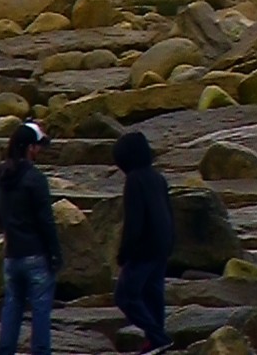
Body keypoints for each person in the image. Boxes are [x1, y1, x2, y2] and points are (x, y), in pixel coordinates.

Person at [0, 122, 62, 355]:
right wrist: (55, 253)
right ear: (29, 148)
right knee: (41, 311)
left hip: (12, 255)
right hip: (36, 255)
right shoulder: (35, 179)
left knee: (12, 307)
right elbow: (46, 221)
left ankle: (5, 351)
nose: (39, 151)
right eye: (37, 146)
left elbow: (0, 216)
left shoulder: (0, 176)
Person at [113, 131, 175, 354]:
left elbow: (134, 222)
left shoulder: (134, 180)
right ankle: (154, 339)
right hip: (162, 245)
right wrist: (171, 243)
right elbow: (169, 212)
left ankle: (158, 336)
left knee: (125, 295)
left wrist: (124, 253)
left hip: (143, 248)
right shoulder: (158, 178)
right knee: (153, 293)